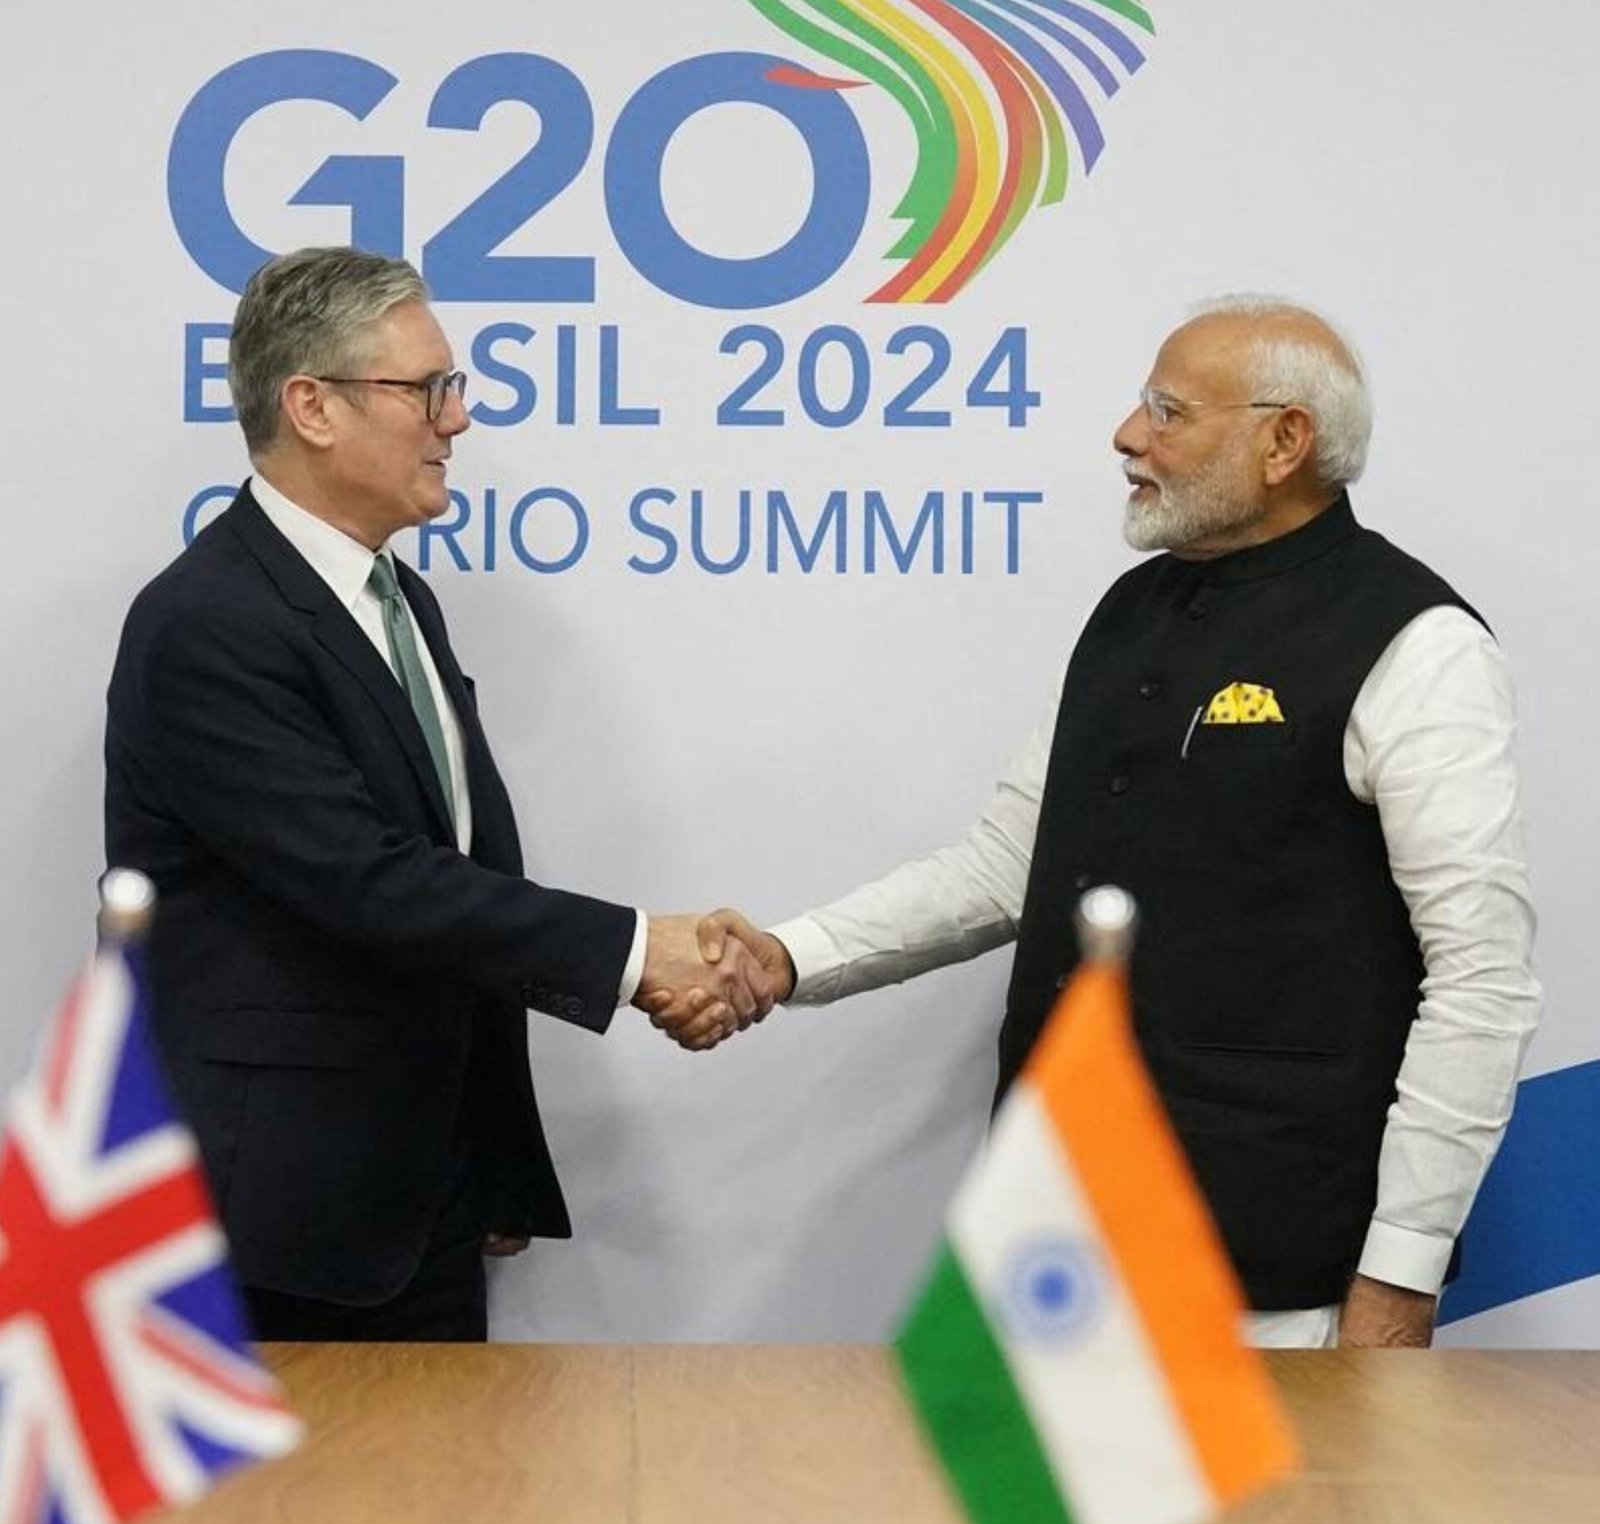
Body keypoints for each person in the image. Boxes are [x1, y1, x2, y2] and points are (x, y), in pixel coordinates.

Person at [647, 295, 1541, 1349]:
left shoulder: (1418, 643)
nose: (1127, 435)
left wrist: (1401, 1270)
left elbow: (1482, 978)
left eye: (1168, 412)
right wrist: (789, 957)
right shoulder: (1128, 613)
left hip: (1270, 1281)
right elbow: (1005, 866)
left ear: (1284, 442)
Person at [104, 246, 772, 1341]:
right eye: (425, 389)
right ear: (312, 407)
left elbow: (458, 872)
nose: (455, 419)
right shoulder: (209, 622)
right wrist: (634, 950)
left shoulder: (399, 597)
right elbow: (367, 882)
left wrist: (491, 1155)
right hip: (276, 1224)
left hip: (422, 1199)